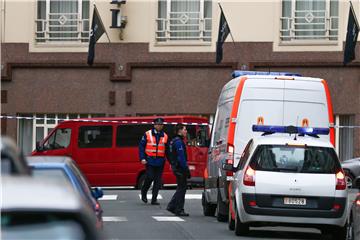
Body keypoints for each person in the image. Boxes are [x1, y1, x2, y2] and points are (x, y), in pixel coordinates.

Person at [139, 117, 168, 205]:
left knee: (158, 180)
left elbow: (167, 150)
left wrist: (171, 161)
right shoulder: (147, 134)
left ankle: (154, 199)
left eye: (161, 125)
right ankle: (144, 192)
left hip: (160, 161)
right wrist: (142, 158)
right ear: (154, 125)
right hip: (150, 160)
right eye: (158, 124)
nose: (160, 126)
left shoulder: (165, 136)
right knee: (150, 177)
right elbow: (141, 147)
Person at [166, 123, 191, 216]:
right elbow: (181, 157)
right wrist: (186, 169)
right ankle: (177, 208)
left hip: (176, 167)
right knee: (182, 188)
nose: (186, 131)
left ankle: (174, 207)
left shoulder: (173, 141)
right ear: (179, 131)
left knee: (180, 188)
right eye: (184, 129)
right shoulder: (178, 142)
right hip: (180, 168)